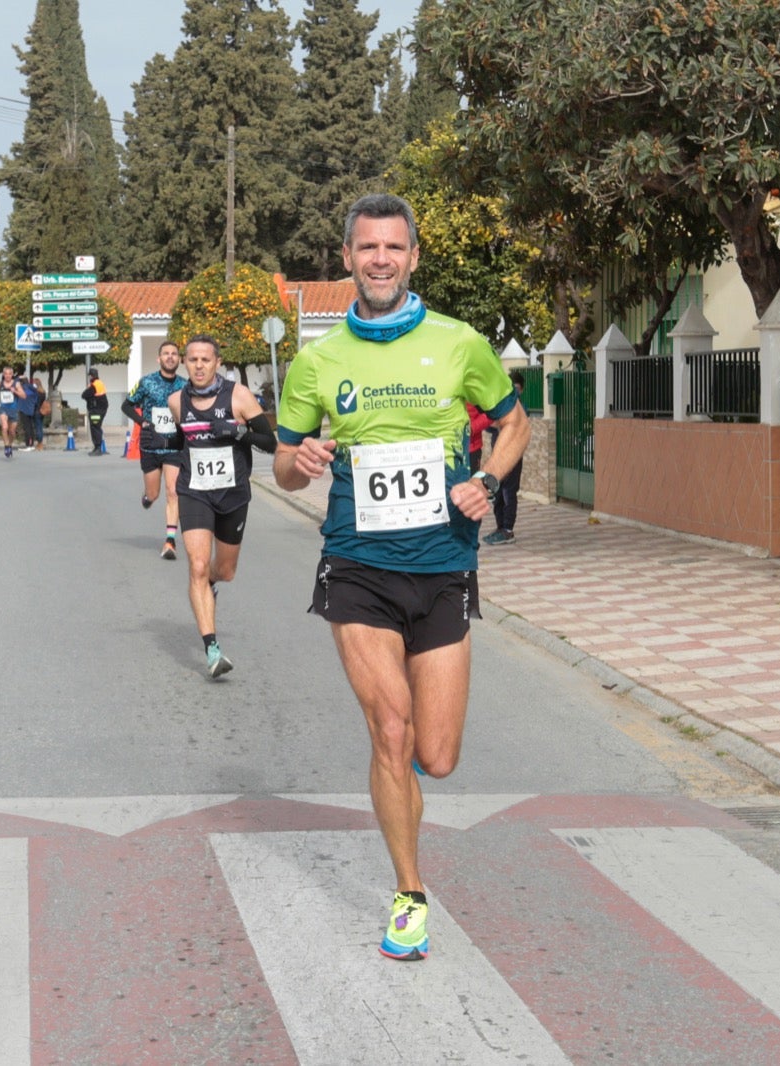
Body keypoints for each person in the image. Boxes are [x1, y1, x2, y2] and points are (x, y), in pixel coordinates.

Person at [273, 193, 530, 962]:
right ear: (346, 259)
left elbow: (513, 422)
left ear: (414, 258)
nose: (379, 259)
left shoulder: (460, 343)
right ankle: (410, 892)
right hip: (357, 565)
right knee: (391, 730)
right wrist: (303, 460)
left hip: (444, 562)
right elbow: (284, 465)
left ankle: (408, 774)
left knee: (437, 755)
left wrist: (486, 478)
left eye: (393, 247)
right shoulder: (318, 360)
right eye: (366, 247)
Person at [167, 336, 275, 678]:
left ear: (217, 362)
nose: (199, 365)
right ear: (185, 362)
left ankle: (211, 582)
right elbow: (177, 444)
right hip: (195, 493)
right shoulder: (175, 401)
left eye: (205, 360)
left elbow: (270, 444)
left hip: (232, 495)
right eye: (193, 359)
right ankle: (212, 649)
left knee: (224, 571)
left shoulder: (238, 396)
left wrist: (236, 432)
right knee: (197, 565)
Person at [122, 341, 187, 559]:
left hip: (174, 446)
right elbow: (126, 405)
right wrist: (142, 422)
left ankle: (170, 541)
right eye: (166, 354)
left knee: (173, 491)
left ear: (179, 359)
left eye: (174, 354)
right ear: (159, 359)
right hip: (151, 444)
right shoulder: (147, 382)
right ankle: (147, 498)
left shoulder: (185, 386)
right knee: (154, 493)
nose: (170, 357)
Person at [484, 369, 527, 545]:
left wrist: (501, 424)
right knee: (498, 492)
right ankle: (500, 527)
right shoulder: (501, 406)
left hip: (513, 456)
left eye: (516, 388)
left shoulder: (520, 408)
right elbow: (489, 424)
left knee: (509, 492)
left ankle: (508, 529)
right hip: (498, 456)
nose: (514, 391)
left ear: (521, 390)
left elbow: (515, 425)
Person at [81, 368, 109, 455]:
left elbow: (84, 395)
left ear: (91, 376)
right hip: (101, 409)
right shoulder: (100, 383)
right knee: (97, 427)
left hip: (96, 409)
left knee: (95, 428)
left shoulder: (94, 385)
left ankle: (97, 448)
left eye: (89, 376)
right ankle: (98, 447)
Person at [0, 365, 20, 457]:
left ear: (12, 375)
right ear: (3, 374)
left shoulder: (16, 384)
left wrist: (15, 391)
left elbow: (23, 395)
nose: (7, 375)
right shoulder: (0, 384)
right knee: (4, 427)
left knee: (12, 432)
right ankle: (6, 446)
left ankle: (10, 444)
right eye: (6, 374)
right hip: (3, 408)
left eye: (10, 374)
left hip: (13, 410)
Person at [13, 374, 40, 450]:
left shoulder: (23, 389)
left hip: (24, 410)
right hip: (31, 410)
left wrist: (18, 378)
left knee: (27, 427)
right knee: (30, 427)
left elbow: (15, 383)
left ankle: (29, 445)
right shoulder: (33, 389)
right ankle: (31, 444)